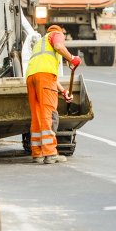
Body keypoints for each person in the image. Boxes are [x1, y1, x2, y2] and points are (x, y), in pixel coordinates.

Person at [26, 25, 81, 164]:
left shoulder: (40, 43)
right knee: (48, 114)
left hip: (31, 77)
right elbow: (58, 46)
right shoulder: (56, 34)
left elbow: (45, 74)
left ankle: (37, 153)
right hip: (44, 77)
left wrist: (63, 91)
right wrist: (71, 58)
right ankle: (50, 153)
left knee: (37, 114)